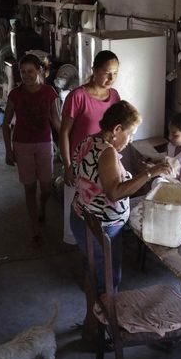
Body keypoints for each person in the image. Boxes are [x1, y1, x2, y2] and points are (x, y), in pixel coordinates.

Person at [70, 101, 169, 294]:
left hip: (84, 218)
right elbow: (114, 192)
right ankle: (105, 320)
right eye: (130, 133)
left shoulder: (89, 141)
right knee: (107, 280)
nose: (131, 139)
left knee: (95, 272)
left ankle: (94, 317)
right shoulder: (107, 152)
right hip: (100, 227)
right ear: (117, 129)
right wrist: (151, 173)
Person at [59, 50, 121, 245]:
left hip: (103, 164)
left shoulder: (114, 96)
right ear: (94, 70)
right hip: (80, 165)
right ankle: (82, 251)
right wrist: (67, 165)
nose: (111, 78)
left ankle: (95, 249)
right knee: (79, 211)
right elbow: (64, 133)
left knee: (99, 211)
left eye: (115, 73)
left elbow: (116, 131)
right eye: (106, 72)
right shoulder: (77, 96)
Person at [2, 54, 61, 245]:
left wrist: (67, 143)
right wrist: (8, 150)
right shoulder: (15, 94)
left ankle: (42, 206)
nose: (26, 75)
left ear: (40, 71)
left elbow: (56, 120)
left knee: (46, 188)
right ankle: (34, 226)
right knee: (29, 188)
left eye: (30, 71)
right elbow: (6, 123)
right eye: (23, 72)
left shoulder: (49, 92)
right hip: (22, 145)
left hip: (44, 143)